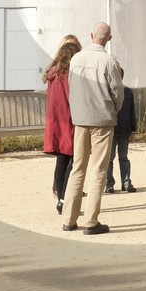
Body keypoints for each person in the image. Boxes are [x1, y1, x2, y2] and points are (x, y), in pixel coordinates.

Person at [61, 21, 123, 235]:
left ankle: (68, 219)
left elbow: (71, 85)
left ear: (90, 35)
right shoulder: (109, 61)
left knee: (78, 168)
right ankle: (90, 221)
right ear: (109, 39)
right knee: (98, 171)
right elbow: (117, 92)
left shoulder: (77, 59)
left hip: (80, 118)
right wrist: (113, 110)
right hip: (102, 119)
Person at [43, 35, 80, 214]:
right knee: (73, 162)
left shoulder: (53, 73)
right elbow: (73, 99)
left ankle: (60, 198)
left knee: (61, 161)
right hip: (68, 122)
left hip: (55, 123)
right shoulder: (67, 75)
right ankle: (65, 200)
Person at [105, 83, 137, 194]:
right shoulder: (106, 90)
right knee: (109, 158)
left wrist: (133, 130)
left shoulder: (127, 92)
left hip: (124, 129)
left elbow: (132, 111)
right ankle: (109, 184)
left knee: (123, 157)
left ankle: (126, 182)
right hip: (110, 129)